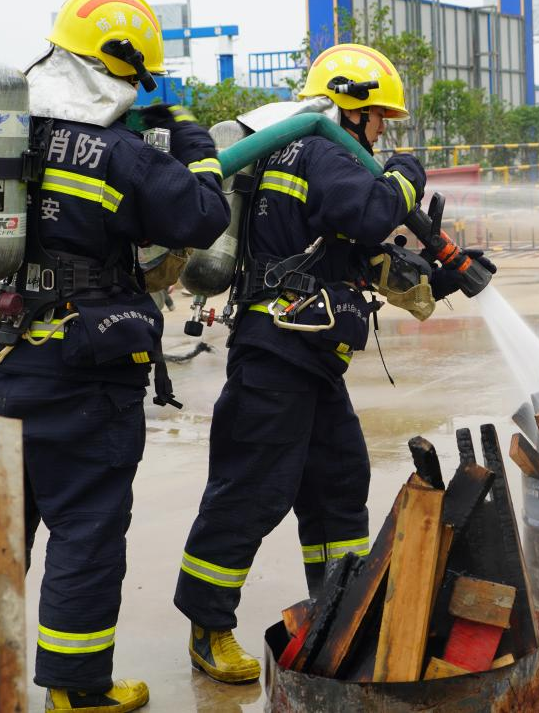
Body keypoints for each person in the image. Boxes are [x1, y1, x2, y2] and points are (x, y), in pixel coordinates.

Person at [0, 0, 230, 713]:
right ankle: (77, 689)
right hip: (82, 370)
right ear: (126, 73)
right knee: (87, 526)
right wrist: (186, 128)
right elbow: (203, 212)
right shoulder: (121, 151)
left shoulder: (0, 136)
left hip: (0, 361)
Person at [173, 43, 494, 684]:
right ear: (349, 107)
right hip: (277, 355)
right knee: (251, 493)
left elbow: (350, 246)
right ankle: (209, 627)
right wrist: (406, 169)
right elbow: (373, 209)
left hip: (312, 357)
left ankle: (338, 609)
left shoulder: (308, 155)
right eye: (379, 119)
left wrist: (434, 273)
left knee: (338, 488)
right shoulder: (319, 149)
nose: (383, 132)